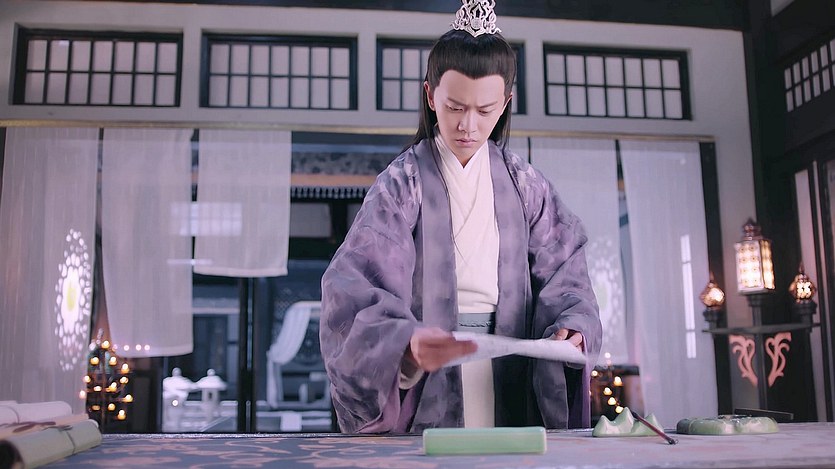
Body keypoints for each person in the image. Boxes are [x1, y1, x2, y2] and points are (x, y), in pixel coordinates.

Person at [319, 0, 602, 434]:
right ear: (430, 95)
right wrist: (403, 342)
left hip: (510, 369)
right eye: (455, 107)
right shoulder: (401, 185)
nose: (468, 125)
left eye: (485, 111)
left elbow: (567, 276)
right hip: (429, 376)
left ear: (505, 103)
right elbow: (353, 288)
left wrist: (574, 327)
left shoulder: (526, 185)